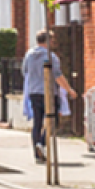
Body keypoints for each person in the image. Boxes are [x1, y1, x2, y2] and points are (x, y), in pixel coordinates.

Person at [22, 30, 76, 164]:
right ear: (47, 41)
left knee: (37, 123)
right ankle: (41, 143)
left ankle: (37, 154)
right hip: (49, 92)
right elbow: (58, 76)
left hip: (34, 93)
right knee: (54, 121)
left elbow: (24, 72)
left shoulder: (29, 55)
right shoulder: (51, 57)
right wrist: (69, 89)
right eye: (51, 40)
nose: (53, 43)